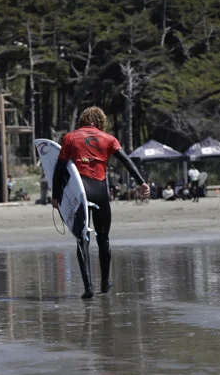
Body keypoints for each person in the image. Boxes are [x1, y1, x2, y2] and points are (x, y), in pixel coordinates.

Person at [52, 106, 150, 299]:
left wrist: (56, 197)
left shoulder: (70, 138)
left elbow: (60, 169)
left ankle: (88, 287)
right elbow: (126, 161)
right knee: (103, 238)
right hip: (100, 192)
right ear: (101, 122)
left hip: (81, 193)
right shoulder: (109, 139)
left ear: (83, 120)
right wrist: (142, 183)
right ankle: (105, 284)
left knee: (82, 238)